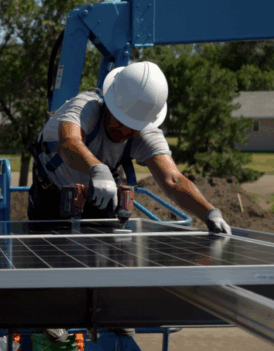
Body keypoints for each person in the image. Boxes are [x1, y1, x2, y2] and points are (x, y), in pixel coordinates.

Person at [28, 61, 231, 235]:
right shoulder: (85, 107)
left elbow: (173, 179)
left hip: (99, 197)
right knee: (48, 262)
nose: (126, 130)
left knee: (99, 260)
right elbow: (68, 143)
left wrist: (209, 212)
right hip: (51, 195)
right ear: (109, 103)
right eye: (120, 120)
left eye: (134, 126)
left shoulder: (145, 131)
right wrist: (98, 169)